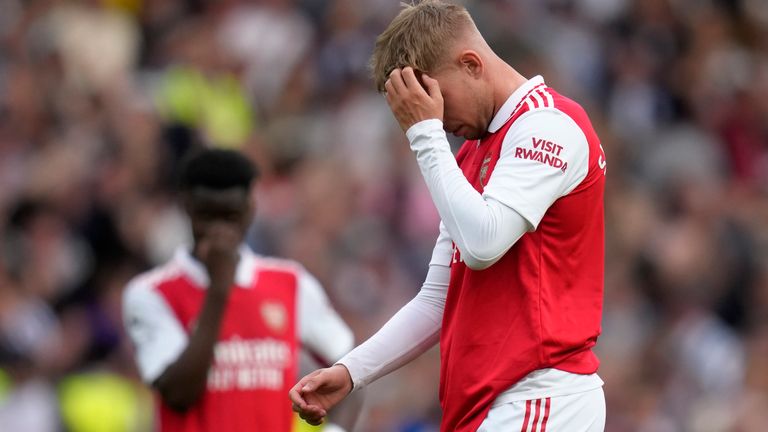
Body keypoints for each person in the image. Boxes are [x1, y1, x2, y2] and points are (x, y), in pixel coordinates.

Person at [290, 1, 607, 431]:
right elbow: (438, 299)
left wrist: (424, 135)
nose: (436, 117)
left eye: (437, 98)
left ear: (471, 64)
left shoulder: (548, 125)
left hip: (539, 398)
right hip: (489, 406)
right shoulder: (473, 153)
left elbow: (483, 244)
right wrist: (352, 372)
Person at [123, 149, 358, 432]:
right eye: (207, 216)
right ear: (186, 206)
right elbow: (178, 394)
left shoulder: (290, 283)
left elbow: (354, 372)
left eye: (230, 216)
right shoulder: (152, 293)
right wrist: (219, 289)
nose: (220, 230)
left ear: (250, 207)